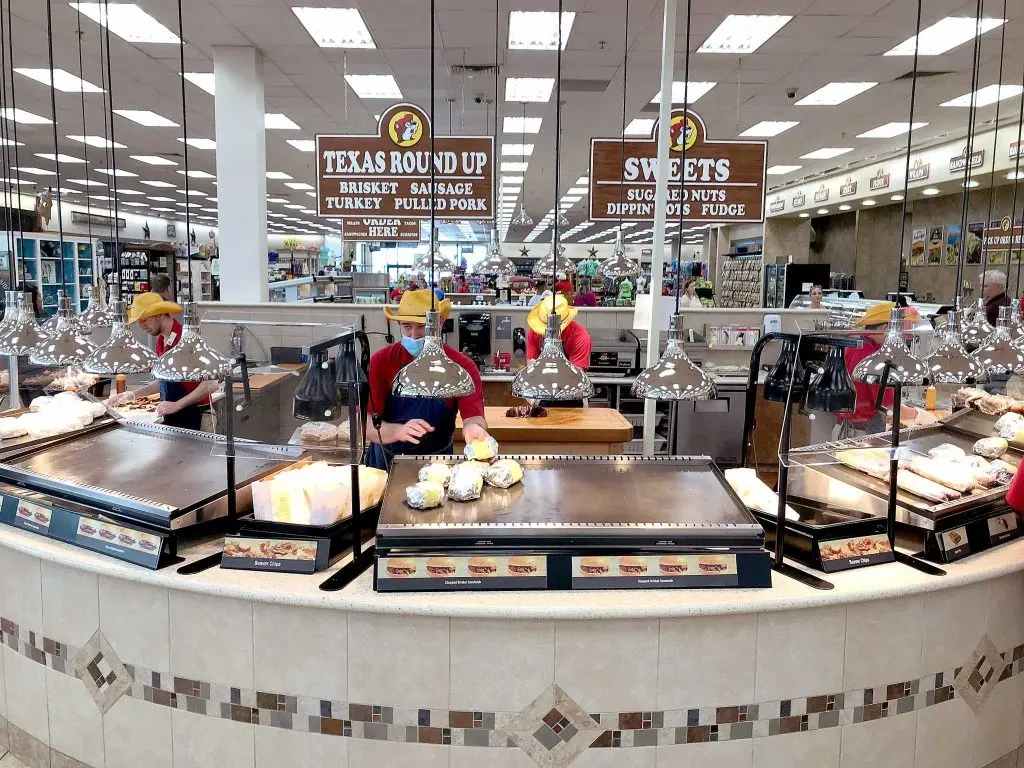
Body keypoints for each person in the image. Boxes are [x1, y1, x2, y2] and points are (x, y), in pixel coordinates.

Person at [365, 289, 491, 470]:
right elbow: (366, 424)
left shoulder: (462, 366)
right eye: (407, 326)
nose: (414, 335)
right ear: (398, 324)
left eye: (422, 327)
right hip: (386, 462)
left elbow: (474, 416)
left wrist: (473, 428)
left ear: (439, 324)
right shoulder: (382, 361)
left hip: (439, 464)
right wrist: (398, 431)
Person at [106, 292, 219, 430]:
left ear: (160, 314)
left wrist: (178, 404)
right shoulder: (161, 342)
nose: (141, 326)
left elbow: (211, 384)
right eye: (139, 322)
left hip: (199, 416)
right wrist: (133, 395)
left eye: (145, 320)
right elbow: (165, 381)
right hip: (175, 417)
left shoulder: (187, 341)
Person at [526, 293, 591, 369]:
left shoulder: (581, 338)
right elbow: (530, 364)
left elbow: (576, 376)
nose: (547, 333)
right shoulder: (534, 332)